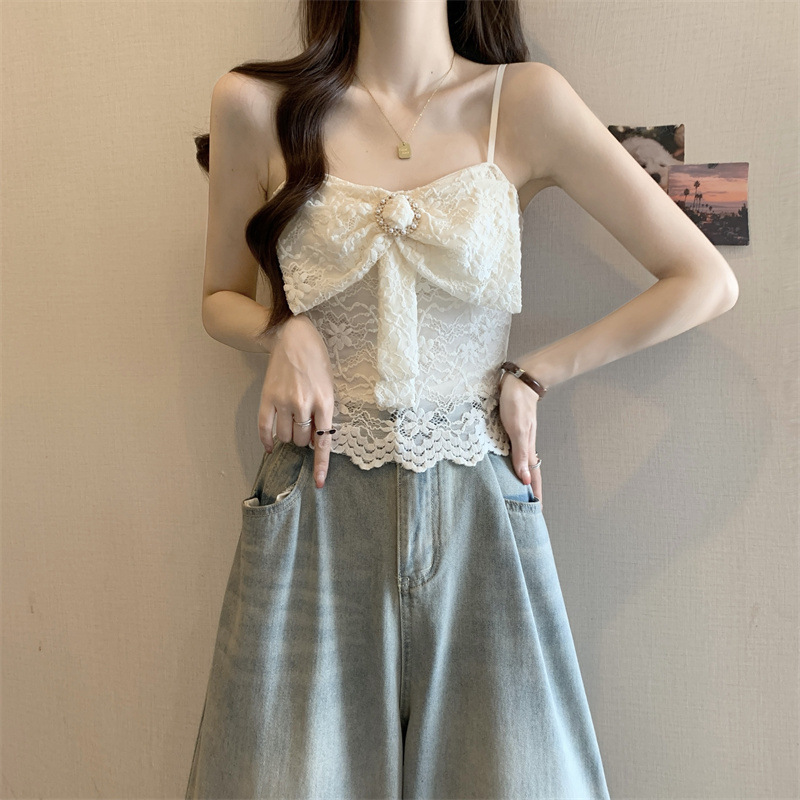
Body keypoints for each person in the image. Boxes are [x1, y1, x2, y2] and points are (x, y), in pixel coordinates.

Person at [185, 1, 738, 798]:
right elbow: (218, 297)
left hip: (479, 501)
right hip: (315, 501)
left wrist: (536, 372)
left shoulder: (523, 101)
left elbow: (704, 279)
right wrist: (285, 330)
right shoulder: (254, 104)